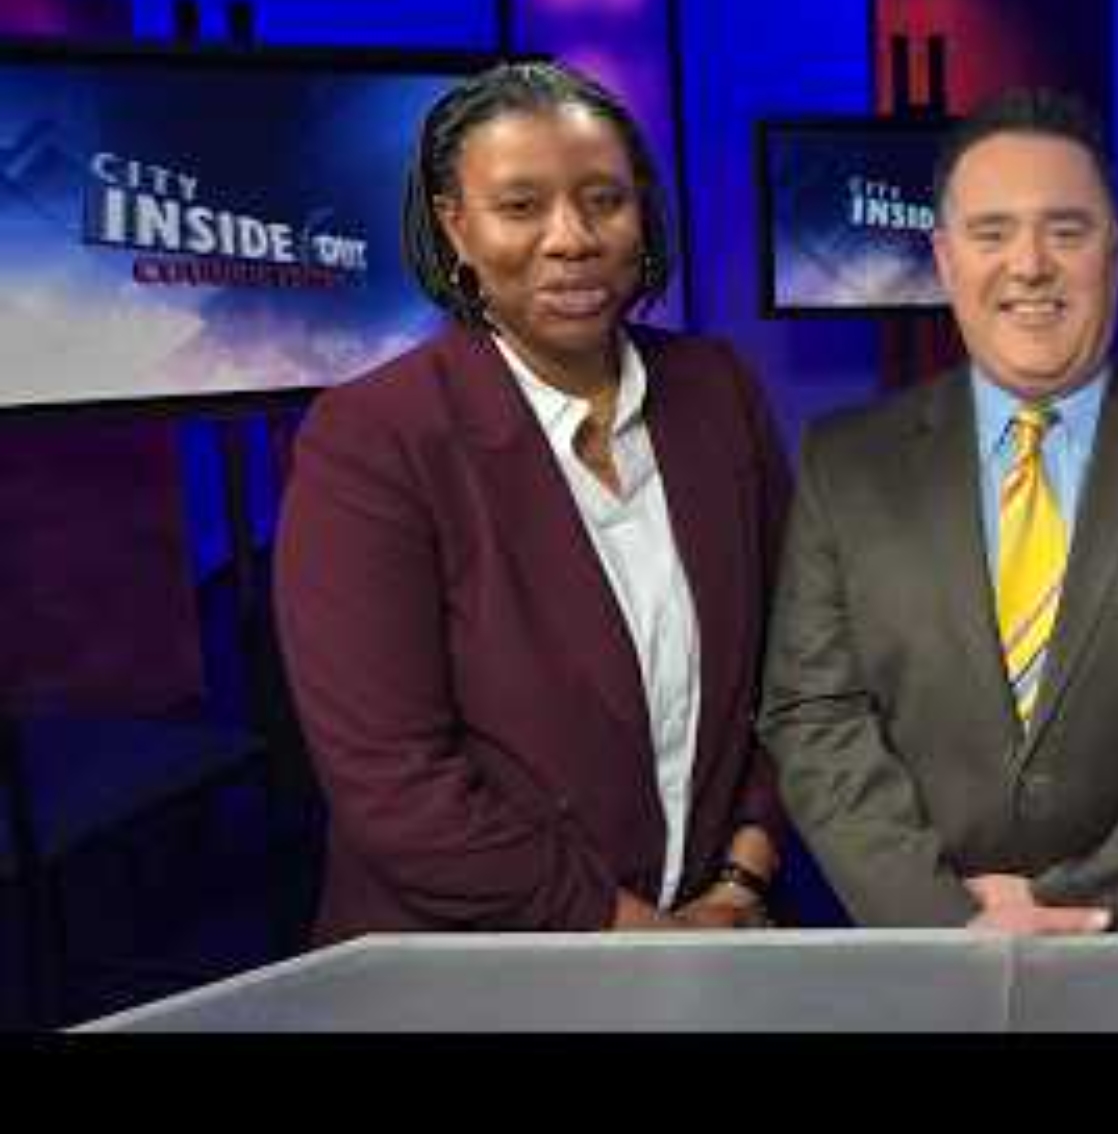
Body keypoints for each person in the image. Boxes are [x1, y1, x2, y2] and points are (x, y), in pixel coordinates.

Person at [757, 88, 1118, 933]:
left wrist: (1071, 906)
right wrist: (945, 917)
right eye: (991, 233)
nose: (1029, 265)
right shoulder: (845, 462)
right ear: (945, 258)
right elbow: (815, 716)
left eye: (1066, 231)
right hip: (928, 952)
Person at [275, 61, 789, 943]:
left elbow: (798, 669)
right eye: (520, 207)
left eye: (604, 200)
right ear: (456, 227)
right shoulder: (374, 437)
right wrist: (640, 937)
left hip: (721, 925)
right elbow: (395, 788)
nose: (571, 239)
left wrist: (742, 879)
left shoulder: (718, 388)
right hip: (477, 965)